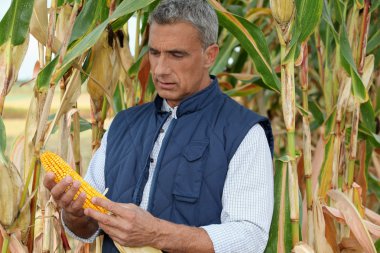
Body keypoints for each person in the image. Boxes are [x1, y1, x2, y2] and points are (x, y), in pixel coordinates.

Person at [43, 0, 274, 252]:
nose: (161, 69)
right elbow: (88, 227)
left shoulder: (244, 132)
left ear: (210, 55)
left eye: (177, 55)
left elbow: (251, 237)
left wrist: (156, 234)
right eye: (154, 53)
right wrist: (75, 215)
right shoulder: (123, 126)